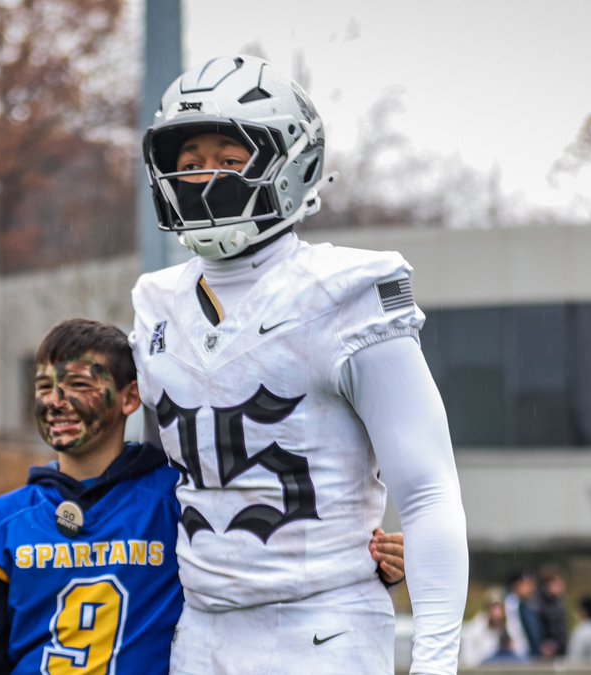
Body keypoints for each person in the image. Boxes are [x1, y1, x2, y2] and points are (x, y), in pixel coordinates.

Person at [131, 55, 467, 673]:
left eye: (229, 159)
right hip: (198, 634)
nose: (204, 175)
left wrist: (435, 663)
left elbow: (427, 491)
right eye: (188, 160)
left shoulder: (347, 290)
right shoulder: (154, 304)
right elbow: (150, 481)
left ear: (292, 164)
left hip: (323, 629)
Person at [0, 318, 407, 674]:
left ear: (130, 398)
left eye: (79, 385)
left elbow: (271, 579)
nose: (55, 401)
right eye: (44, 387)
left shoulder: (183, 499)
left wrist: (369, 566)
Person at [460, 587, 514, 668]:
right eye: (494, 607)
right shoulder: (477, 625)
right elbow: (468, 657)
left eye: (499, 607)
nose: (497, 611)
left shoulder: (509, 625)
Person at [503, 569, 544, 658]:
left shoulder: (527, 605)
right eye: (526, 584)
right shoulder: (510, 604)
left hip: (528, 655)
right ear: (515, 585)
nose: (531, 588)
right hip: (515, 655)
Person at [536, 564, 569, 658]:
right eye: (558, 583)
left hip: (559, 651)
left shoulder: (558, 602)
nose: (562, 585)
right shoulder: (538, 604)